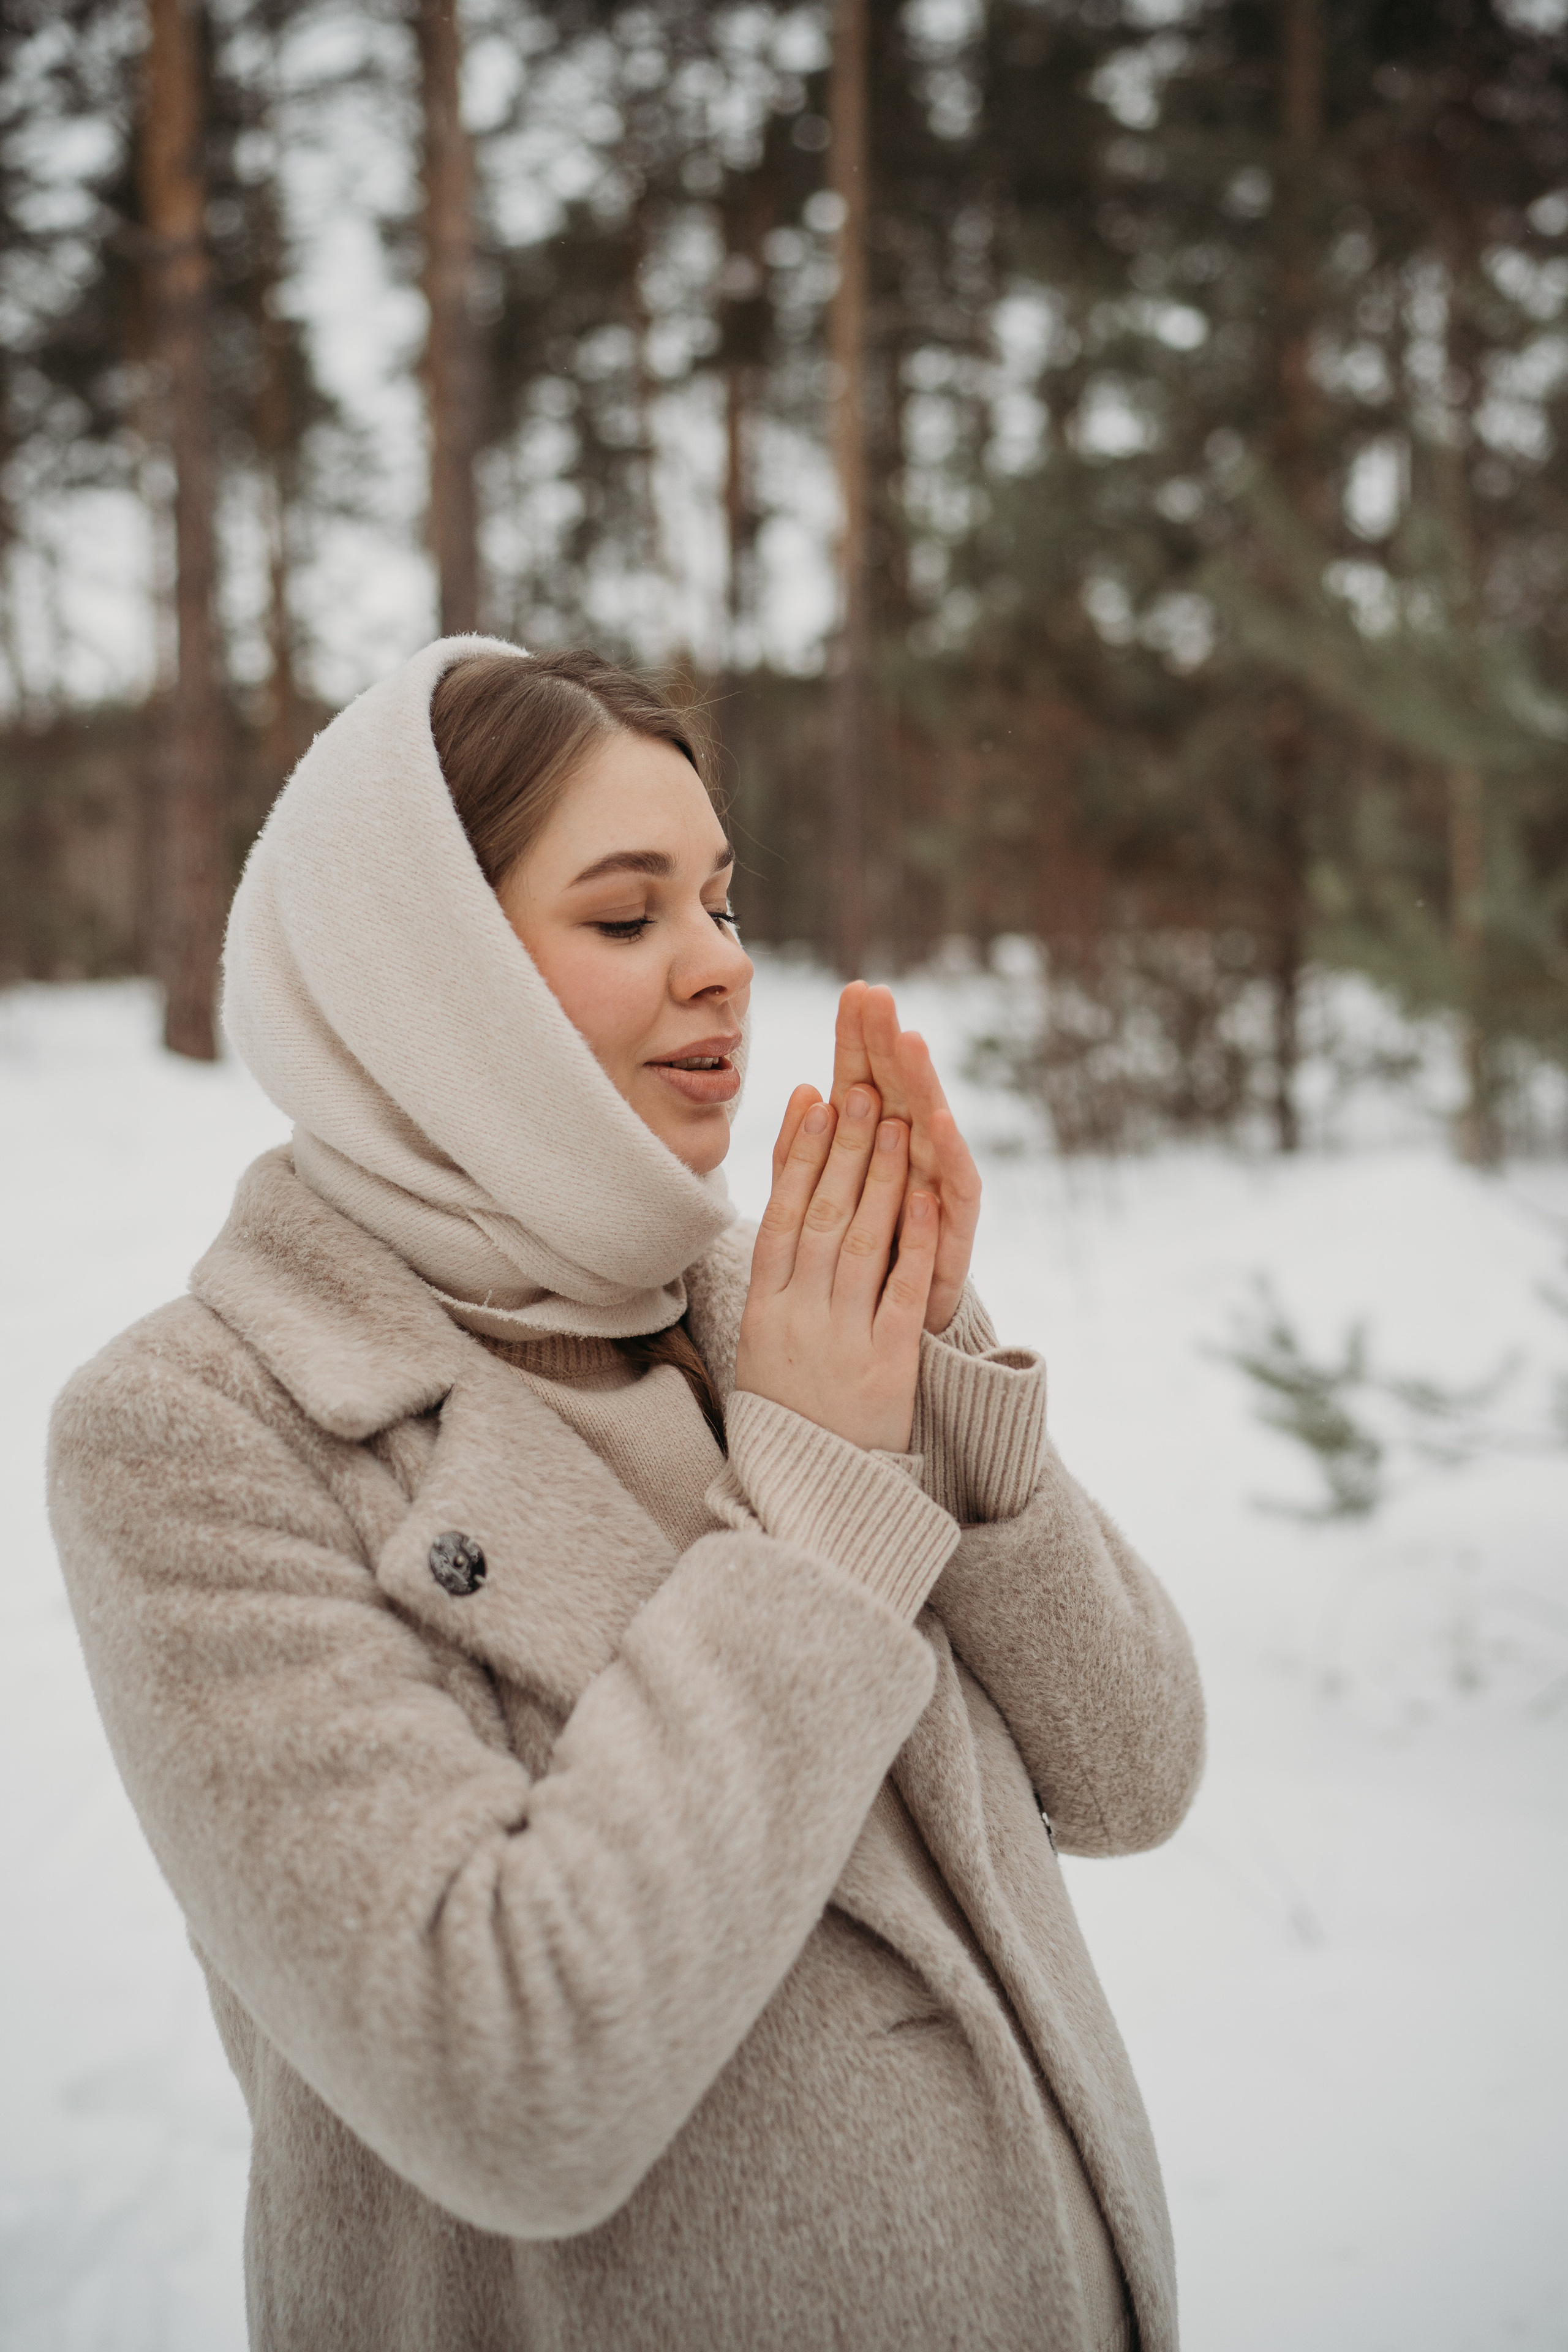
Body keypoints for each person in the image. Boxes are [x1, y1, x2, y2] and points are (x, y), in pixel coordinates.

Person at [47, 637, 1204, 2352]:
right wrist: (814, 1503)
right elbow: (504, 2073)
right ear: (424, 985)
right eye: (624, 916)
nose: (720, 970)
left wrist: (939, 1372)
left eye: (725, 906)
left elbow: (1133, 1774)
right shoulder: (203, 1430)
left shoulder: (760, 1320)